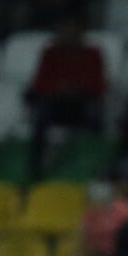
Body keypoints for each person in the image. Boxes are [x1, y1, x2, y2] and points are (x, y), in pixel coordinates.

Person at [25, 14, 105, 180]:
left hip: (81, 103)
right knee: (41, 113)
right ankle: (36, 169)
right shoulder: (50, 54)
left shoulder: (93, 54)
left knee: (95, 111)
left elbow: (100, 85)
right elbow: (38, 83)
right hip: (56, 104)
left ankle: (94, 167)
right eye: (64, 29)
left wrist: (77, 89)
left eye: (73, 30)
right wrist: (58, 88)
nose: (68, 34)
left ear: (81, 32)